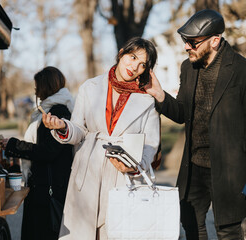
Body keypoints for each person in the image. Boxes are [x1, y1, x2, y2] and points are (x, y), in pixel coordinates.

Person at [145, 9, 246, 240]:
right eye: (185, 41)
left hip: (230, 169)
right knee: (191, 223)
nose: (187, 47)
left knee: (229, 229)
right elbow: (183, 112)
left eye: (193, 43)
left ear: (214, 40)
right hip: (194, 166)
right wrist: (160, 96)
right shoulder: (188, 68)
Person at [42, 37, 160, 240]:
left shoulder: (147, 99)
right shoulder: (90, 87)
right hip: (88, 171)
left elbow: (151, 144)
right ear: (122, 53)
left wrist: (133, 166)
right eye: (132, 57)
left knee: (114, 232)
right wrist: (63, 126)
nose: (135, 67)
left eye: (142, 65)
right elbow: (79, 129)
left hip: (122, 175)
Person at [1, 66, 75, 240]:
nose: (35, 91)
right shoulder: (51, 110)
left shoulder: (58, 112)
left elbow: (49, 151)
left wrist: (15, 145)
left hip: (49, 190)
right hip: (45, 187)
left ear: (46, 86)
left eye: (37, 86)